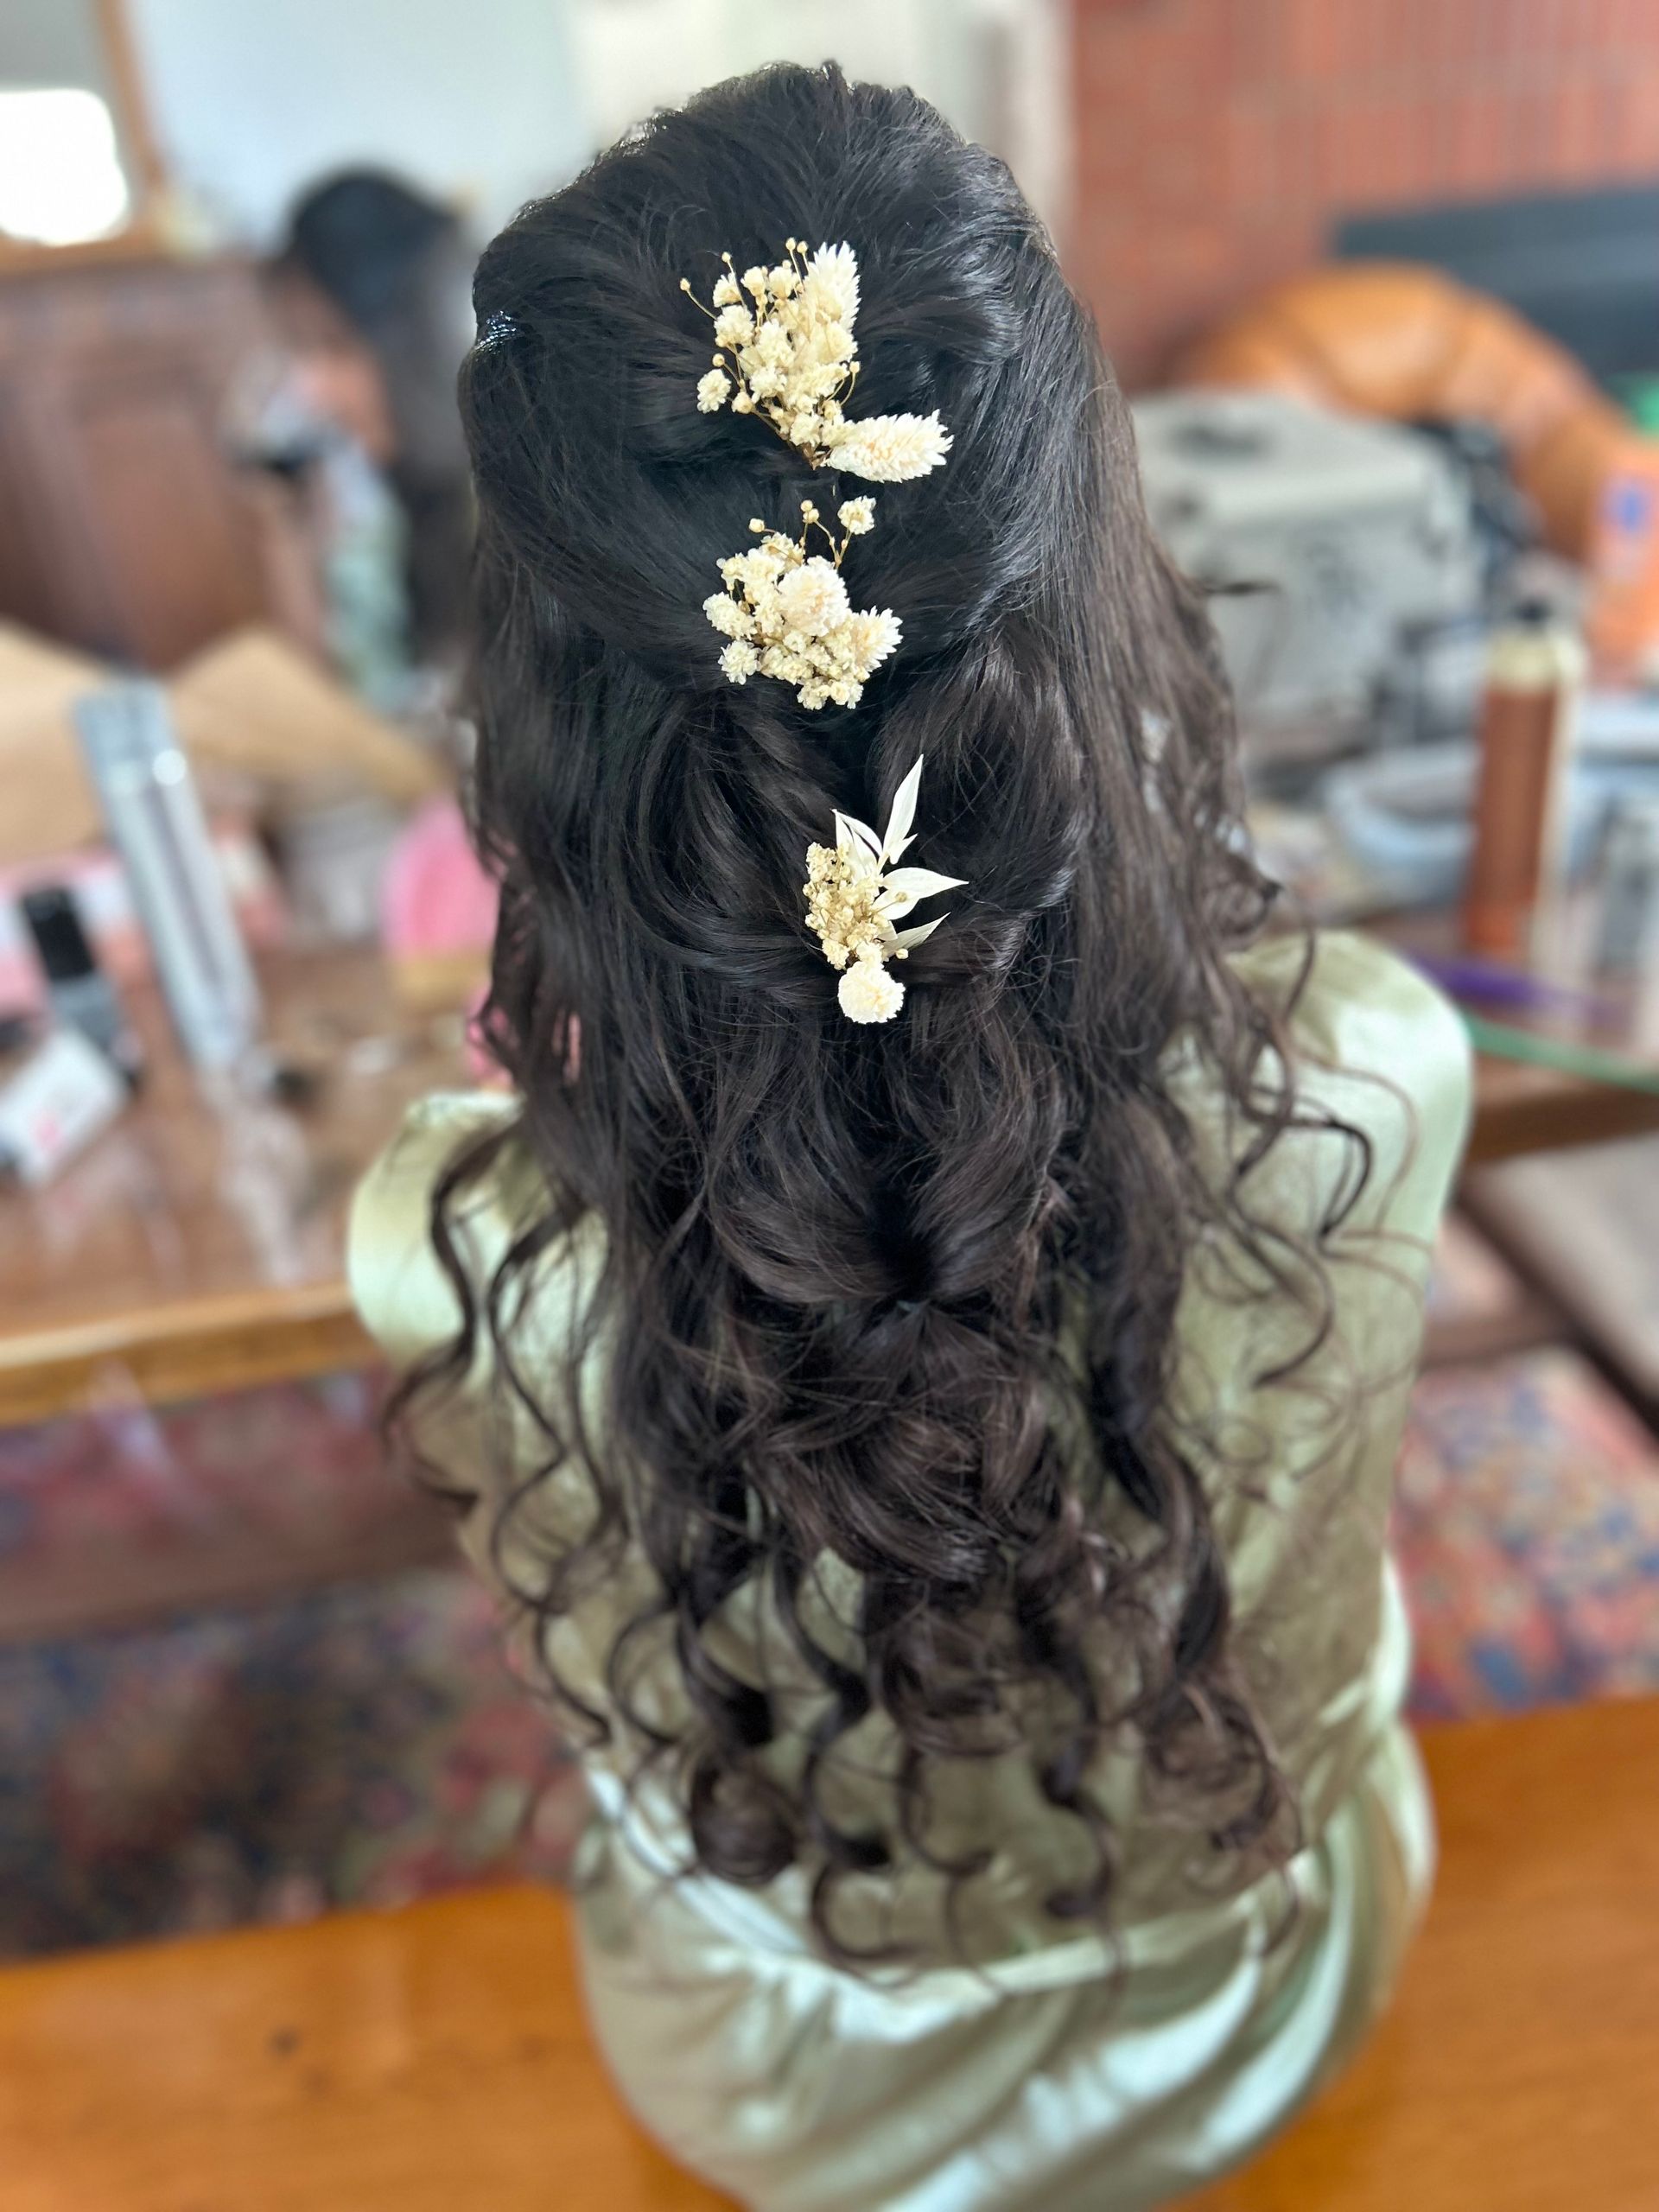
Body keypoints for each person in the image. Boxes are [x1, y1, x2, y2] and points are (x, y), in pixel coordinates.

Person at [349, 63, 1470, 2212]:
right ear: (1096, 573)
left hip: (776, 2083)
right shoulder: (1378, 1075)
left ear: (552, 707)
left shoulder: (444, 1236)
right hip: (1270, 1985)